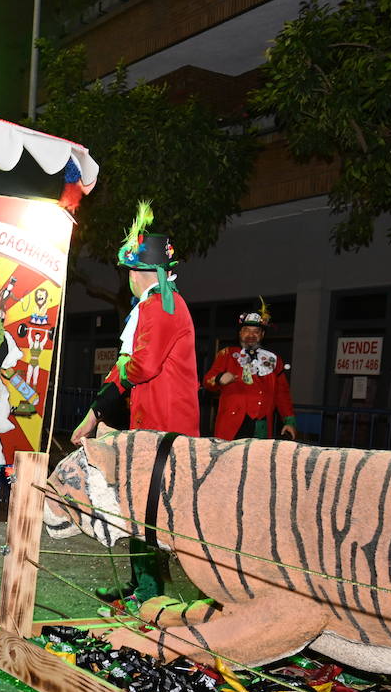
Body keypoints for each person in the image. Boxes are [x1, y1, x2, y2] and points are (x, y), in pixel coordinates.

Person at [70, 203, 198, 604]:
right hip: (150, 424)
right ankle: (142, 584)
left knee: (150, 510)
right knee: (139, 506)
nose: (126, 278)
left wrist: (102, 405)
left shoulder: (163, 307)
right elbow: (126, 371)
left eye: (129, 271)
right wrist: (92, 416)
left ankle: (152, 592)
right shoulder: (152, 306)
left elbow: (138, 366)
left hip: (166, 428)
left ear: (142, 273)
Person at [202, 302, 298, 440]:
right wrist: (219, 378)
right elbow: (207, 381)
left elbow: (282, 393)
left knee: (258, 461)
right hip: (233, 424)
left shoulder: (273, 359)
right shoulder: (227, 354)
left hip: (262, 424)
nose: (251, 335)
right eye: (246, 330)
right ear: (240, 333)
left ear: (262, 334)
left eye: (256, 331)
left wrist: (289, 421)